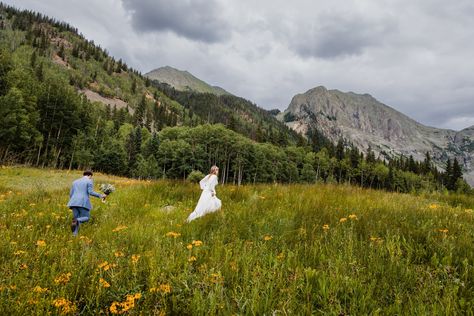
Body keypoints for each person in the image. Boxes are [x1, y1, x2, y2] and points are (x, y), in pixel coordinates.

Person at [67, 170, 106, 236]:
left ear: (83, 175)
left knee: (75, 219)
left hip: (73, 202)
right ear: (90, 175)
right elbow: (90, 192)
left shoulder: (75, 182)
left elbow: (71, 194)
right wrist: (101, 195)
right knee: (86, 217)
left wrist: (73, 201)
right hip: (82, 202)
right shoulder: (89, 181)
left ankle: (74, 235)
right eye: (91, 177)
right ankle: (77, 221)